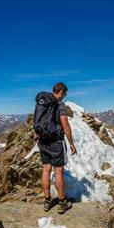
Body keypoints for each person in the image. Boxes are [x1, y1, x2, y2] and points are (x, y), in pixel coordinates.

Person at [35, 82, 77, 214]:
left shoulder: (42, 102)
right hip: (56, 142)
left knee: (46, 170)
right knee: (58, 171)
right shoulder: (59, 105)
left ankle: (47, 200)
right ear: (61, 92)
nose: (64, 96)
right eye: (64, 94)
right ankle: (62, 202)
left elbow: (37, 121)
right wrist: (71, 143)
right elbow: (65, 126)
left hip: (43, 141)